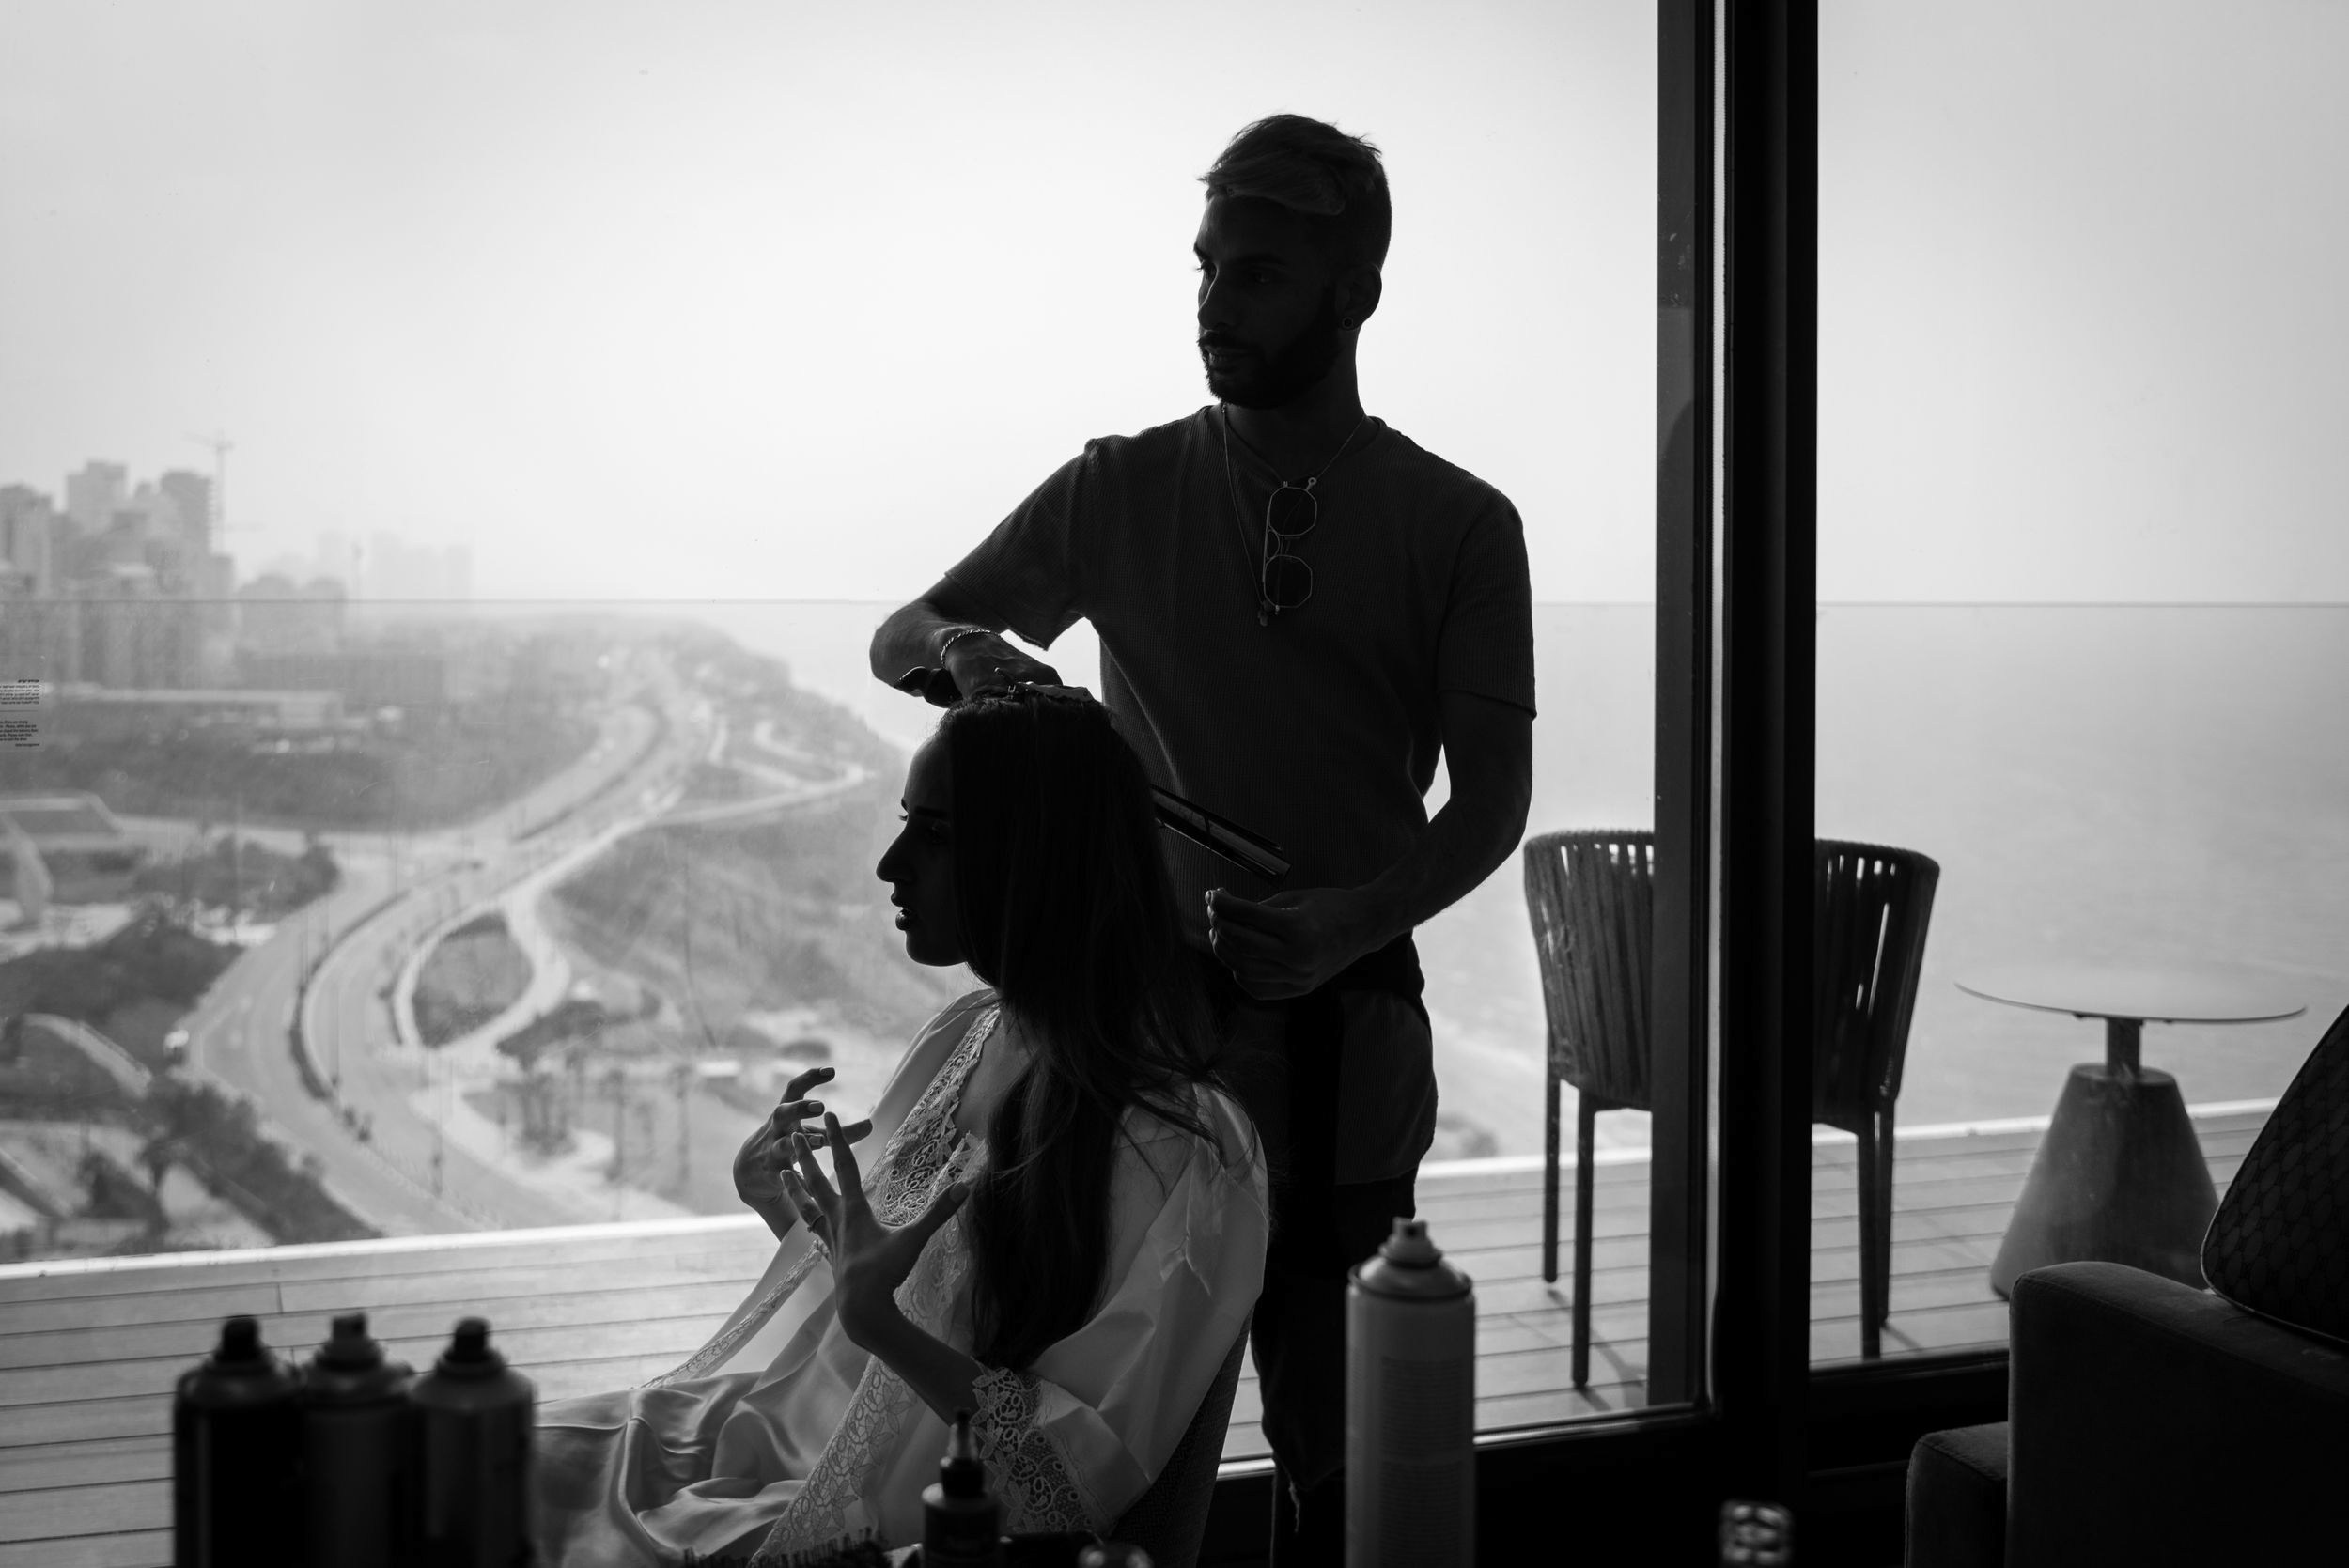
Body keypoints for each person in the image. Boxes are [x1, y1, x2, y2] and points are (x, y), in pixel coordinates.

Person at [869, 114, 1535, 1561]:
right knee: (1107, 1462)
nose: (1213, 304)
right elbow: (902, 631)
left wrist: (1355, 917)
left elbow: (1490, 806)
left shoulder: (1463, 525)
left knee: (1345, 1463)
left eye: (1259, 276)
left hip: (1341, 1050)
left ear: (1354, 295)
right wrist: (973, 654)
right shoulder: (1119, 485)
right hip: (1134, 1056)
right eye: (1208, 267)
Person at [534, 688, 1268, 1563]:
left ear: (1035, 857)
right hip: (762, 1430)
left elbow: (1068, 1485)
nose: (890, 863)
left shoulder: (1181, 1152)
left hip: (869, 1511)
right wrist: (790, 1218)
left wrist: (880, 1320)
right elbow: (903, 1289)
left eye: (938, 833)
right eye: (904, 822)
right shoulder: (969, 1031)